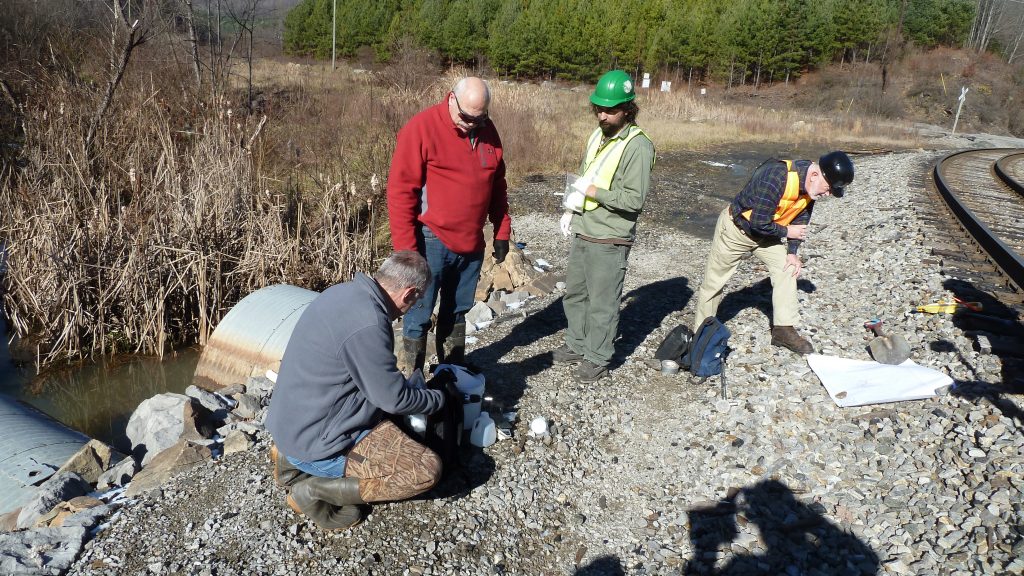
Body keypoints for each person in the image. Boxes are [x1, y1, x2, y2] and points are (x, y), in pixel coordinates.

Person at [265, 251, 447, 530]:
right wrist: (437, 399)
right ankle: (311, 492)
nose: (413, 307)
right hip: (316, 442)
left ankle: (288, 458)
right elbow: (395, 399)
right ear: (409, 293)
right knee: (424, 470)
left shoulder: (341, 293)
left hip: (289, 422)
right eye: (417, 300)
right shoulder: (370, 323)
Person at [387, 77, 512, 373]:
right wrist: (407, 252)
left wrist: (501, 228)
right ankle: (411, 379)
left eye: (479, 118)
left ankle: (452, 372)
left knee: (456, 312)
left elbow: (497, 185)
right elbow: (400, 191)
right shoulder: (422, 128)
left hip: (470, 242)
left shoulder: (487, 131)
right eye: (467, 116)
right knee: (417, 312)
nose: (471, 123)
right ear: (451, 99)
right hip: (430, 240)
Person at [691, 151, 854, 354]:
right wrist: (787, 232)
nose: (827, 194)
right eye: (829, 189)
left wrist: (792, 252)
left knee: (788, 268)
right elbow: (758, 222)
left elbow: (800, 219)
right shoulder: (777, 177)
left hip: (767, 236)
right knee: (714, 283)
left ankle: (783, 330)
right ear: (815, 175)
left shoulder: (810, 188)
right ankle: (700, 337)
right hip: (736, 230)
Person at [552, 70, 655, 383]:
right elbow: (587, 175)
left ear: (627, 109)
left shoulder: (638, 146)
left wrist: (591, 191)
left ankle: (598, 357)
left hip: (610, 237)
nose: (602, 114)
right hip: (585, 228)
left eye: (610, 109)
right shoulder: (598, 134)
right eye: (599, 107)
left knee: (603, 303)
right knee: (575, 294)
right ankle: (577, 343)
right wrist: (571, 208)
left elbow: (633, 200)